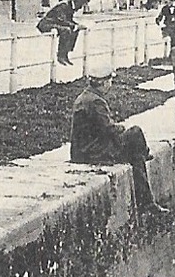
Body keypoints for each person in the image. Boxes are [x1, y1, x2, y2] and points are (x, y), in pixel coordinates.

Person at [69, 72, 169, 216]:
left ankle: (147, 202)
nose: (111, 84)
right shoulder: (96, 102)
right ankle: (146, 202)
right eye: (110, 81)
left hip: (84, 150)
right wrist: (121, 127)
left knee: (135, 155)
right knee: (135, 133)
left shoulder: (84, 98)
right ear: (103, 83)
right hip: (93, 153)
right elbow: (109, 129)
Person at [37, 0, 88, 66]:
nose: (80, 8)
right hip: (47, 24)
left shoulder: (71, 6)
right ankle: (60, 55)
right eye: (81, 5)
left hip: (55, 23)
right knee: (66, 30)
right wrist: (74, 26)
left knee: (75, 30)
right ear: (78, 1)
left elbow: (68, 20)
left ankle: (65, 54)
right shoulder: (64, 5)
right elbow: (61, 20)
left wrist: (77, 26)